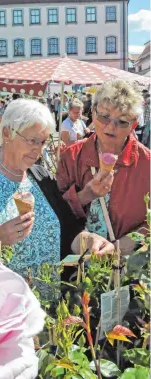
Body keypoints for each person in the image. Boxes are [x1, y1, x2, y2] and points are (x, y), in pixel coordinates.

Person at [0, 99, 114, 293]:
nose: (38, 149)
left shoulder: (41, 176)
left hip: (50, 305)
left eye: (43, 142)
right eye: (32, 140)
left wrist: (91, 241)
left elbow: (69, 232)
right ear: (7, 133)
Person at [57, 79, 150, 255]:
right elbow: (55, 211)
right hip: (77, 265)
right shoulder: (71, 156)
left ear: (134, 124)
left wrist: (118, 248)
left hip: (129, 266)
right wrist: (85, 195)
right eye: (104, 117)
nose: (110, 126)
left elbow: (149, 224)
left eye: (122, 121)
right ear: (93, 113)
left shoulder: (146, 164)